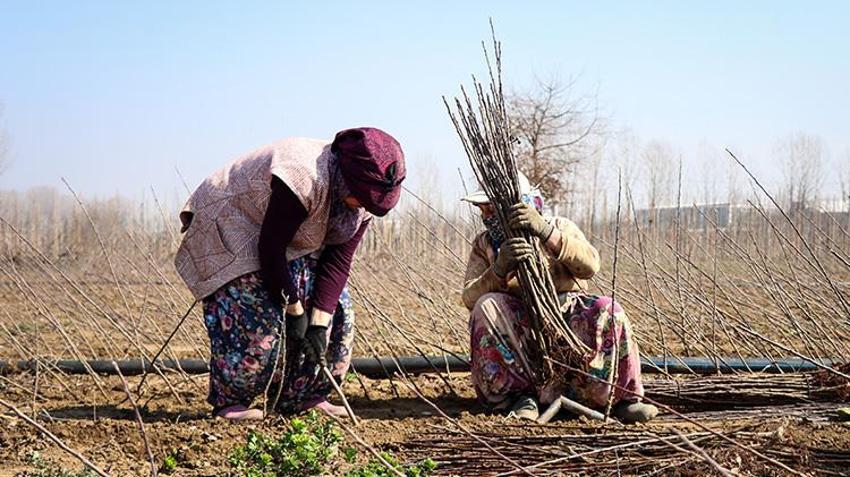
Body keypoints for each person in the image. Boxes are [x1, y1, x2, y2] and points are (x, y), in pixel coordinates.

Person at [174, 127, 405, 420]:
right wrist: (294, 312)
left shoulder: (364, 201)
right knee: (256, 308)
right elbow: (271, 249)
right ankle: (231, 402)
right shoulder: (302, 177)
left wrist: (318, 324)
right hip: (234, 224)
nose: (363, 205)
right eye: (361, 198)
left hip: (289, 240)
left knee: (338, 310)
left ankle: (306, 396)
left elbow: (338, 261)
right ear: (347, 180)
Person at [461, 174, 657, 423]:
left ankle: (619, 400)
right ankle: (517, 399)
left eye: (491, 208)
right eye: (482, 209)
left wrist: (546, 233)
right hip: (520, 325)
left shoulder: (560, 226)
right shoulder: (485, 244)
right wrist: (498, 269)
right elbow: (469, 297)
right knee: (486, 306)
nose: (486, 215)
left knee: (608, 309)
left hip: (568, 316)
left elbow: (590, 266)